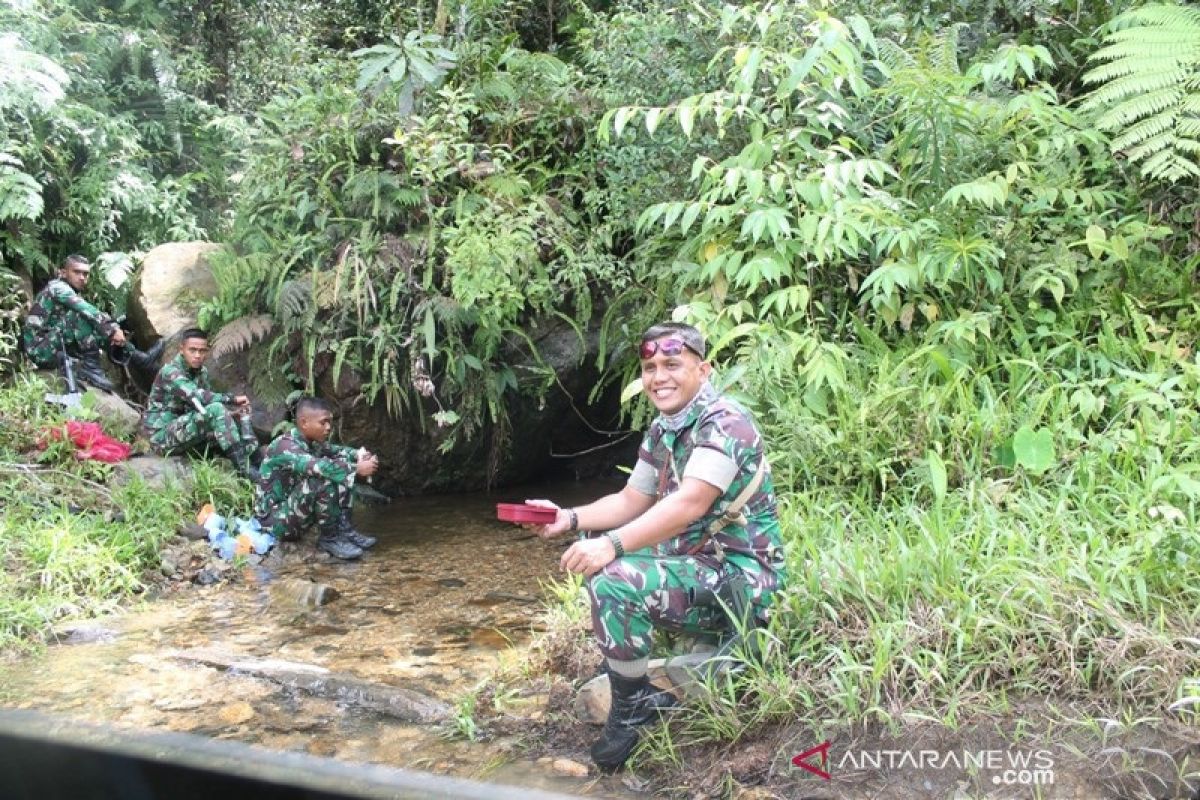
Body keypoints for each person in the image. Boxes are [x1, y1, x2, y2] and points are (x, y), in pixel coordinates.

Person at [528, 321, 786, 772]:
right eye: (649, 367)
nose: (658, 377)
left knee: (614, 574)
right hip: (700, 566)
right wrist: (566, 518)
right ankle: (634, 682)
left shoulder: (725, 423)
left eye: (672, 364)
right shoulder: (665, 429)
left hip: (742, 584)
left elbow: (690, 503)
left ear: (703, 370)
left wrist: (613, 546)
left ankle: (631, 706)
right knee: (598, 547)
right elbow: (631, 500)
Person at [253, 396, 380, 560]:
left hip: (293, 511)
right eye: (323, 422)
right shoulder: (285, 446)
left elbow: (337, 451)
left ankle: (344, 530)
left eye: (329, 422)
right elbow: (317, 467)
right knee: (323, 477)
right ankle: (329, 538)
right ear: (304, 423)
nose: (328, 428)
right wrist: (357, 469)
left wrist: (360, 455)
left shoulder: (311, 441)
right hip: (274, 521)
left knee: (339, 465)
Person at [22, 254, 162, 392]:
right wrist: (112, 329)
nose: (82, 277)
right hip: (39, 350)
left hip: (55, 345)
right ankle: (91, 368)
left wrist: (111, 327)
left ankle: (139, 359)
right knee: (83, 316)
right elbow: (83, 308)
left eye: (85, 274)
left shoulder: (68, 290)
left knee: (96, 322)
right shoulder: (57, 288)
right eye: (76, 272)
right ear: (63, 273)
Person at [141, 328, 259, 477]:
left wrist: (231, 414)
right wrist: (232, 399)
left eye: (202, 351)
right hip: (162, 437)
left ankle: (260, 466)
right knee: (217, 410)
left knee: (235, 418)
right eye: (193, 350)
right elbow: (198, 395)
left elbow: (205, 408)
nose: (197, 355)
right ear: (182, 349)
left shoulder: (201, 372)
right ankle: (244, 471)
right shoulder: (170, 372)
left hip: (185, 430)